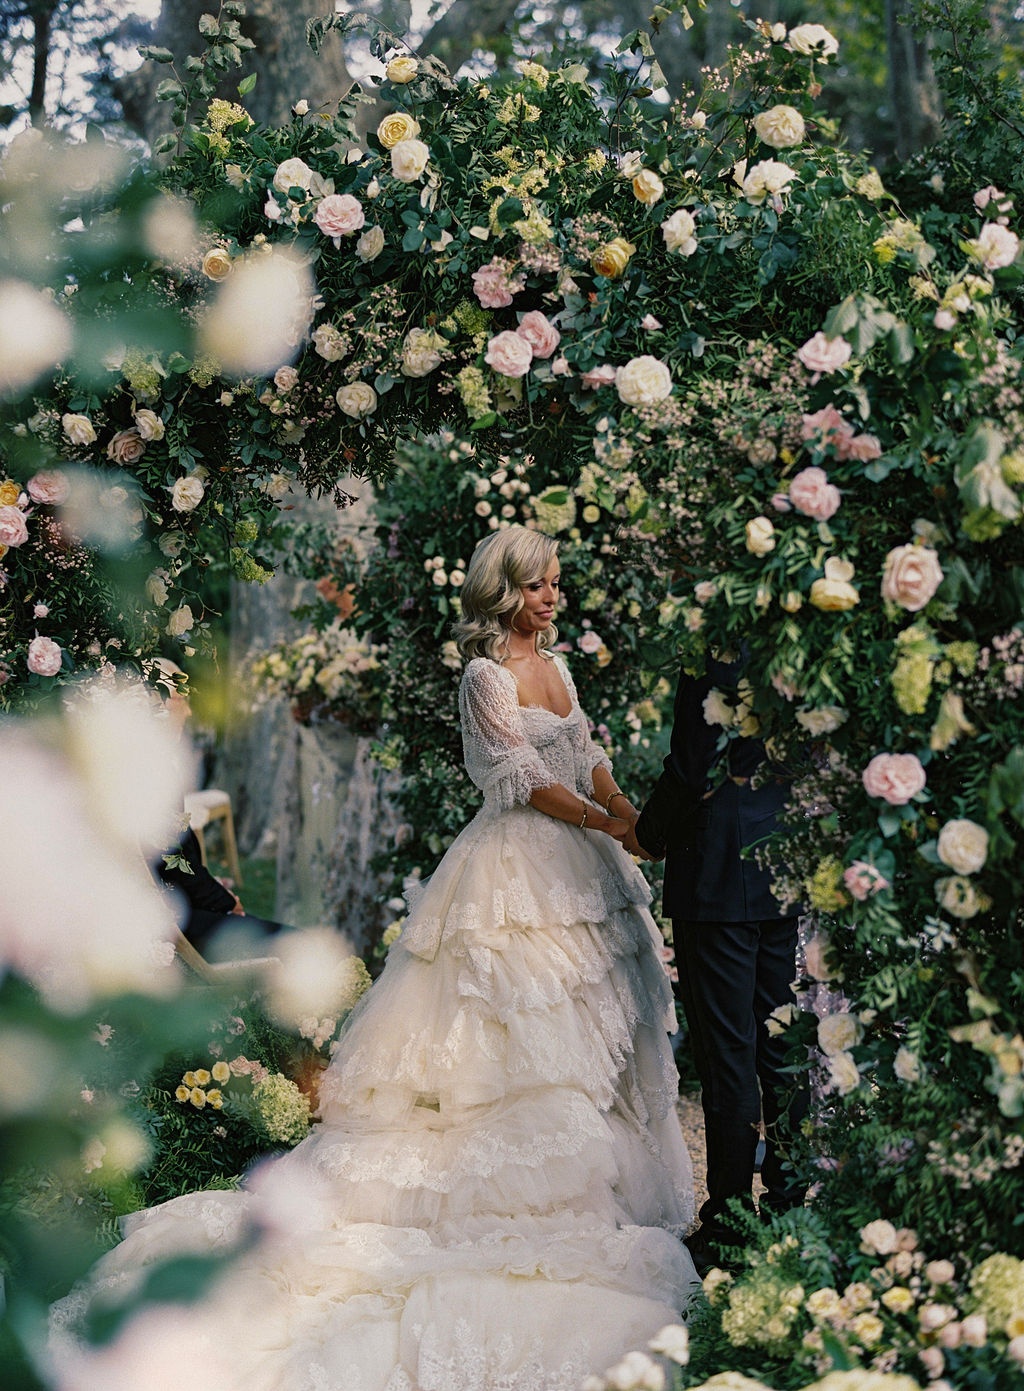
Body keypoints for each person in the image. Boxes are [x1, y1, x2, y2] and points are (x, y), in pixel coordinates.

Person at [53, 525, 698, 1389]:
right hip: (515, 867)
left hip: (582, 865)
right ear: (505, 590)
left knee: (596, 1026)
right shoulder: (485, 676)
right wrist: (600, 820)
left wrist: (625, 815)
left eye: (555, 583)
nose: (553, 596)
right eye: (540, 584)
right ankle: (515, 1195)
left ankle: (608, 1187)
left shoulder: (560, 668)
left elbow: (586, 756)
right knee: (510, 1028)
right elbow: (513, 777)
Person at [625, 652, 808, 1274]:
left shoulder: (718, 650)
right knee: (782, 1044)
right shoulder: (794, 628)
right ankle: (788, 1208)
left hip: (718, 873)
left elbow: (694, 765)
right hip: (784, 860)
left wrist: (648, 835)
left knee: (730, 1051)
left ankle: (730, 1222)